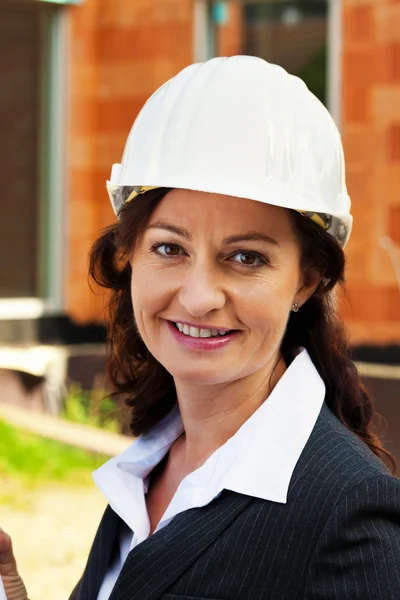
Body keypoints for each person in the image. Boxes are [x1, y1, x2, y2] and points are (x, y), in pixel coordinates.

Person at [1, 56, 399, 600]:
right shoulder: (155, 464)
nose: (198, 296)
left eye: (247, 258)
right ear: (130, 256)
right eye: (169, 248)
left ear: (307, 280)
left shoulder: (349, 516)